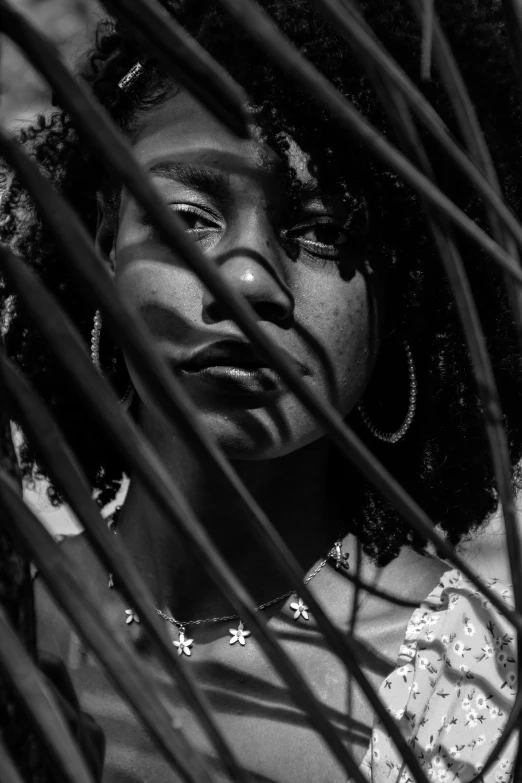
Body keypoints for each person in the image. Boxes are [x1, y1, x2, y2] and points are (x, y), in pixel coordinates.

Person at [1, 1, 520, 781]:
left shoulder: (470, 692)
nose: (245, 279)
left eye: (323, 233)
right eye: (189, 216)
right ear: (103, 238)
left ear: (402, 299)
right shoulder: (17, 611)